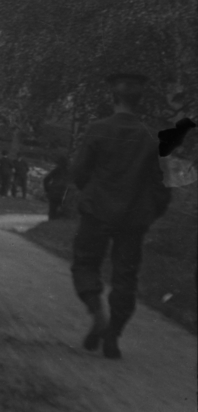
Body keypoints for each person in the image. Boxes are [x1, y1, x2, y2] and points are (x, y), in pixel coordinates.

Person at [69, 70, 172, 359]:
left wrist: (90, 191)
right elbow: (162, 184)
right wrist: (152, 212)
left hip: (97, 211)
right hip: (134, 218)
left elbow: (78, 173)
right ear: (140, 99)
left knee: (85, 263)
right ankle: (113, 333)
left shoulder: (97, 129)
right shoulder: (152, 137)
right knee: (126, 276)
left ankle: (96, 310)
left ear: (113, 96)